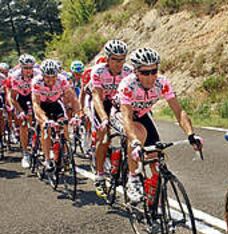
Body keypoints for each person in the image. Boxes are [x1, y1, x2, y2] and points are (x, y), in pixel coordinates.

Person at [118, 47, 202, 202]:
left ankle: (152, 201)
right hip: (123, 115)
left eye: (153, 71)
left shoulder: (162, 83)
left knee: (155, 156)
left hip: (142, 114)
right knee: (139, 134)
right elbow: (127, 118)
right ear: (136, 72)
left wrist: (191, 134)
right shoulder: (127, 85)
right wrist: (135, 142)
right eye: (145, 72)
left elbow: (179, 111)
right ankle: (133, 178)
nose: (150, 77)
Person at [90, 39, 132, 197]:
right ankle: (99, 175)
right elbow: (97, 97)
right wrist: (104, 119)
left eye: (122, 59)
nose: (119, 63)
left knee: (130, 133)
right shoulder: (99, 71)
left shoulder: (128, 71)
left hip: (118, 104)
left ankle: (126, 168)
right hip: (102, 104)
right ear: (107, 58)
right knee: (105, 137)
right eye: (115, 59)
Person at [32, 59, 81, 171]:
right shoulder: (37, 82)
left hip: (55, 103)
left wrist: (77, 115)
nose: (50, 80)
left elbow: (73, 98)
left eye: (53, 77)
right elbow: (36, 104)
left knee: (64, 124)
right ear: (42, 75)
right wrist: (45, 120)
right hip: (42, 105)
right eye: (47, 77)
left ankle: (65, 151)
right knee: (46, 130)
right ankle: (47, 159)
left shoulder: (62, 80)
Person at [9, 54, 40, 168]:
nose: (28, 70)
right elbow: (12, 97)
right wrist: (20, 111)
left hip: (35, 96)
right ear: (21, 67)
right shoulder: (15, 76)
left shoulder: (38, 74)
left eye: (30, 67)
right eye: (26, 68)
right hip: (21, 97)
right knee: (23, 124)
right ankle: (25, 153)